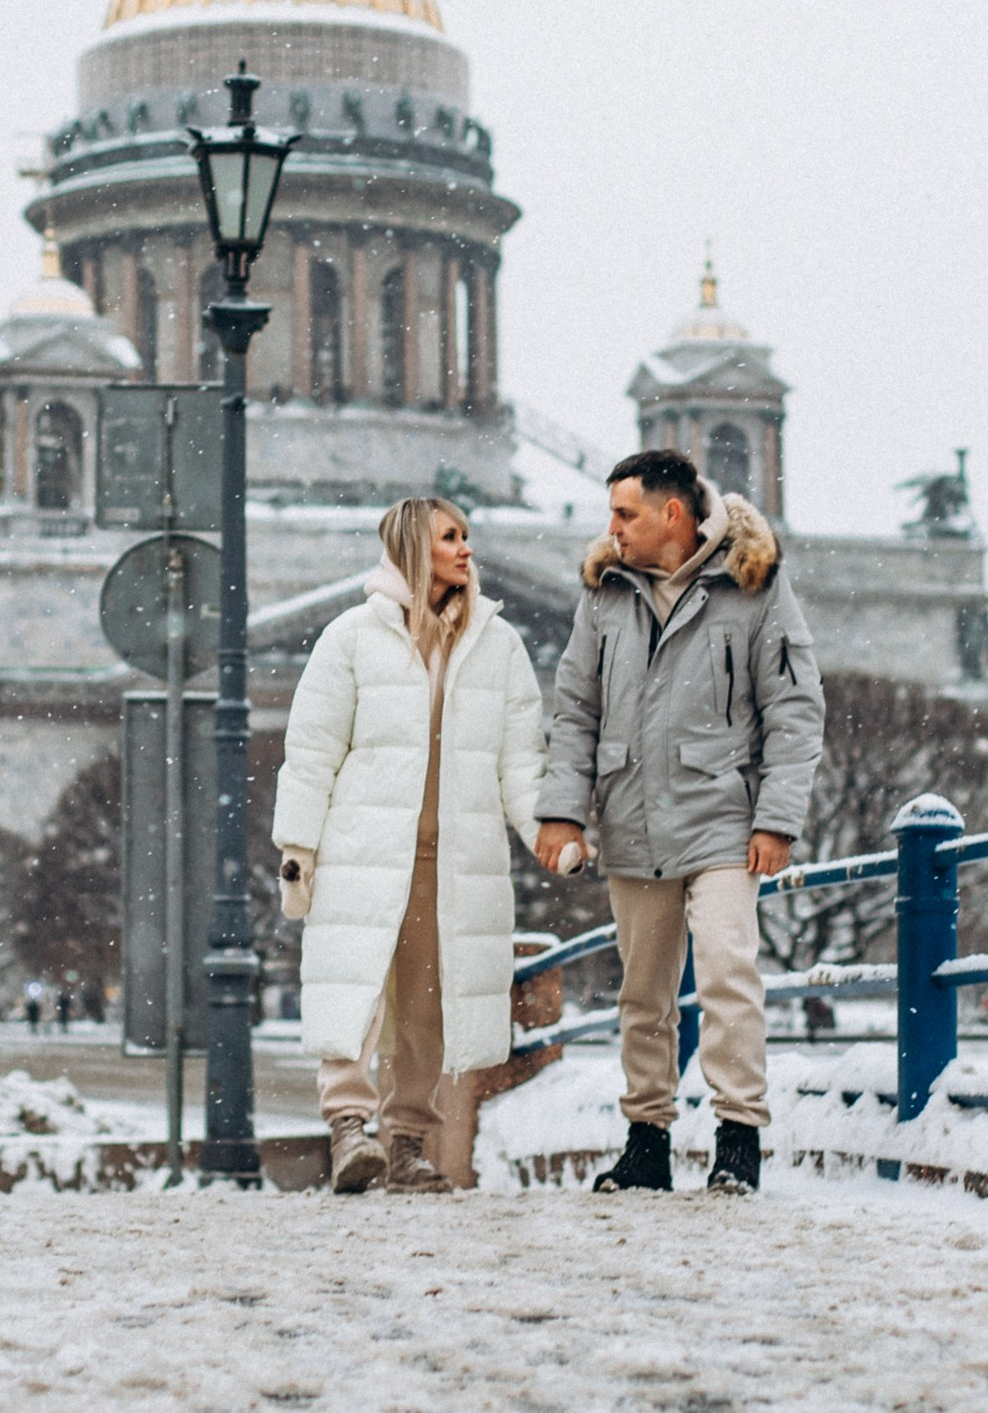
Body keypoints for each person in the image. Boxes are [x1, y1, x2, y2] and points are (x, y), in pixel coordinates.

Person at [536, 449, 826, 1194]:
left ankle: (738, 1140)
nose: (611, 529)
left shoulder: (756, 584)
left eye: (624, 513)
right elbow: (575, 710)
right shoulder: (604, 594)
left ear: (672, 513)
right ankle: (647, 1142)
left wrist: (777, 820)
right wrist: (563, 813)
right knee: (643, 994)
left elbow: (794, 712)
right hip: (632, 817)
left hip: (725, 819)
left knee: (728, 973)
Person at [273, 496, 549, 1194]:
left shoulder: (497, 644)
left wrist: (549, 832)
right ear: (412, 549)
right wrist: (299, 845)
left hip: (450, 862)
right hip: (361, 850)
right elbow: (311, 753)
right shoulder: (350, 638)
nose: (466, 549)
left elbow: (521, 761)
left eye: (467, 535)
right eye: (450, 537)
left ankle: (406, 1144)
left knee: (428, 1010)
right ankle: (348, 1128)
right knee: (356, 992)